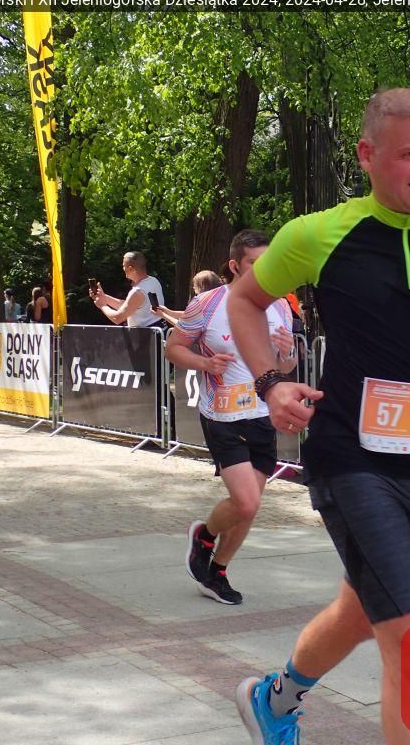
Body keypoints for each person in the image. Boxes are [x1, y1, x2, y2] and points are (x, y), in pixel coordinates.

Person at [226, 88, 410, 745]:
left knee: (363, 609)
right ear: (368, 155)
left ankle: (274, 701)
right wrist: (271, 383)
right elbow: (243, 302)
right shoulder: (317, 233)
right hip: (347, 457)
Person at [166, 231, 296, 605]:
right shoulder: (208, 303)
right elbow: (173, 348)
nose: (264, 269)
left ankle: (217, 572)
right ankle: (204, 536)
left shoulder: (279, 305)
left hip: (262, 414)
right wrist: (205, 363)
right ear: (235, 265)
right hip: (223, 415)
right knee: (247, 502)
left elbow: (285, 367)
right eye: (255, 263)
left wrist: (288, 354)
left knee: (248, 507)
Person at [91, 251, 165, 328]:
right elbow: (130, 305)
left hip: (147, 334)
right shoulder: (154, 281)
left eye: (124, 266)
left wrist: (102, 305)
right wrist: (103, 297)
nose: (123, 268)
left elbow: (117, 318)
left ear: (130, 269)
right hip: (160, 330)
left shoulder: (137, 292)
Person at [153, 269, 223, 326]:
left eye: (195, 285)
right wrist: (168, 312)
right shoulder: (221, 300)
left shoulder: (201, 303)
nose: (193, 288)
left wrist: (163, 315)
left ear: (201, 287)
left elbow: (184, 326)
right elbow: (188, 315)